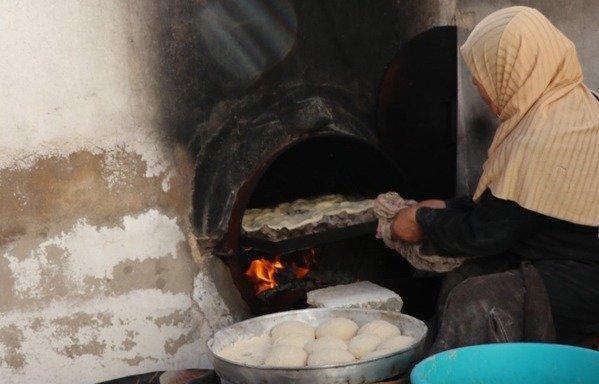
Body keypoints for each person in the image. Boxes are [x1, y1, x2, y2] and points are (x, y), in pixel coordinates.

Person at [389, 6, 599, 355]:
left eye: (484, 72)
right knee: (465, 277)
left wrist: (421, 221)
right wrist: (447, 208)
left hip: (586, 279)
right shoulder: (567, 102)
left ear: (514, 70)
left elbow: (485, 233)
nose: (476, 83)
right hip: (567, 255)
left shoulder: (548, 135)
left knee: (476, 300)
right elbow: (517, 209)